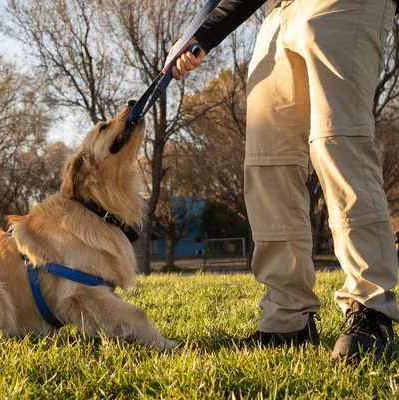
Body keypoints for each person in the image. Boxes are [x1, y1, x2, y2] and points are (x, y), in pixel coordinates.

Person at [171, 0, 399, 361]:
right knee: (268, 163)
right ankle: (287, 317)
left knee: (337, 141)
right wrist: (202, 30)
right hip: (276, 12)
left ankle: (372, 308)